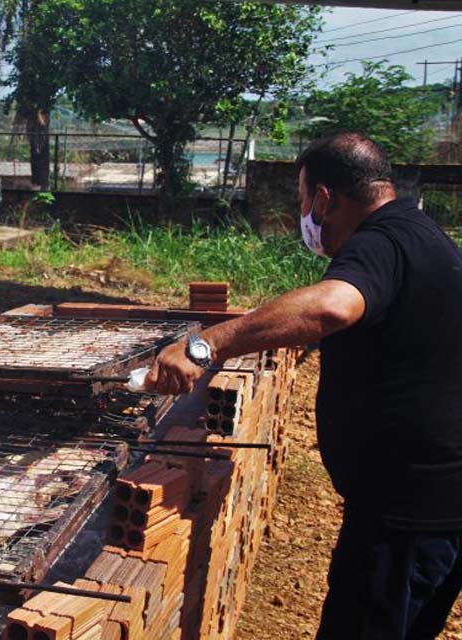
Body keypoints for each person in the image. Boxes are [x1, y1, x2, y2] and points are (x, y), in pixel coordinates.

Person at [145, 132, 462, 639]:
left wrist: (205, 346)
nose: (303, 216)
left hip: (404, 517)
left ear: (324, 198)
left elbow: (332, 305)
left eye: (301, 200)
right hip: (435, 507)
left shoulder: (379, 242)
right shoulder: (420, 232)